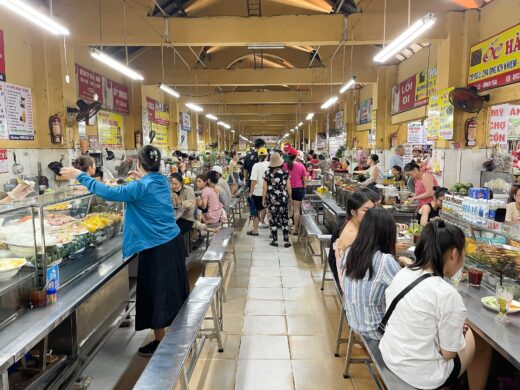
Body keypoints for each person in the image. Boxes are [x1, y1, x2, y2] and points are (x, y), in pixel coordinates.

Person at [60, 146, 189, 357]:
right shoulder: (161, 181)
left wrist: (80, 175)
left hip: (156, 247)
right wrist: (141, 178)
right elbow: (145, 188)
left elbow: (110, 193)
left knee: (158, 296)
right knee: (170, 293)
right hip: (171, 243)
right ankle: (172, 337)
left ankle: (161, 344)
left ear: (139, 163)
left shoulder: (142, 186)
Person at [379, 220, 492, 390]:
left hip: (390, 355)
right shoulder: (448, 295)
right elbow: (448, 354)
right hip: (421, 375)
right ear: (454, 254)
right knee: (480, 342)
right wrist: (454, 336)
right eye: (463, 253)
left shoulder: (404, 273)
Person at [339, 208, 402, 340]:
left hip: (355, 321)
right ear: (388, 233)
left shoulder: (350, 251)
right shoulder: (385, 260)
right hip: (377, 329)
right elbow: (404, 290)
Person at [328, 192, 374, 287]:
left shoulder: (350, 222)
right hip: (349, 281)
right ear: (353, 212)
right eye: (366, 211)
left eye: (373, 210)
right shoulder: (352, 235)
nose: (372, 214)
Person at [170, 173, 218, 237]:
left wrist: (180, 202)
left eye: (175, 184)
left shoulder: (188, 190)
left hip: (186, 219)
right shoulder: (170, 191)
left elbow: (192, 205)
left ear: (181, 183)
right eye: (172, 184)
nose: (173, 186)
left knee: (175, 232)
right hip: (174, 218)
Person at [262, 152, 292, 248]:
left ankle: (274, 240)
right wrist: (290, 198)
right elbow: (289, 187)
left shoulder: (267, 173)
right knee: (284, 219)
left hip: (271, 200)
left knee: (273, 219)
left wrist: (263, 199)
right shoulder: (285, 172)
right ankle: (286, 241)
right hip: (283, 199)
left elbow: (264, 188)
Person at [284, 148, 308, 234]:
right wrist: (304, 189)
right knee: (296, 210)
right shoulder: (301, 166)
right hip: (298, 189)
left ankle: (286, 226)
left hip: (286, 189)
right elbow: (305, 180)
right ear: (296, 156)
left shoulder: (284, 166)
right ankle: (296, 228)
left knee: (287, 209)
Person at [248, 148, 270, 236]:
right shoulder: (270, 165)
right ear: (267, 156)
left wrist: (250, 192)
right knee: (266, 209)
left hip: (257, 192)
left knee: (255, 211)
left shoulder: (256, 166)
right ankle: (272, 232)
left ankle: (255, 230)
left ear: (258, 156)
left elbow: (253, 180)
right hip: (268, 192)